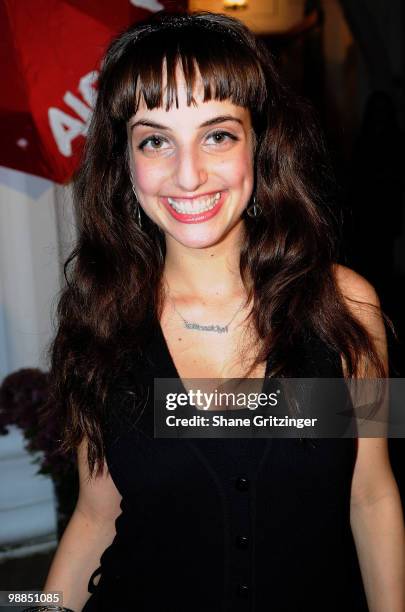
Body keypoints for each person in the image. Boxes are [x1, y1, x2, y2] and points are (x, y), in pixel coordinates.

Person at [27, 10, 404, 612]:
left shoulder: (344, 307)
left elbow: (370, 496)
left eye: (218, 134)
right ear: (125, 163)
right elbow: (97, 519)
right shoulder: (101, 323)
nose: (189, 174)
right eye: (156, 140)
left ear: (260, 141)